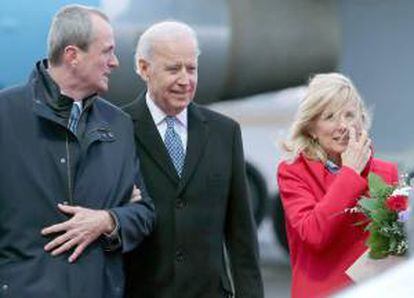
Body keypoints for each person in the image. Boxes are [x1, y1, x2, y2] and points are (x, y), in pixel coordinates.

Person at [0, 5, 155, 298]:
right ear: (72, 55)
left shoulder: (118, 125)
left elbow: (144, 212)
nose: (116, 62)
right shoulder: (5, 115)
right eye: (107, 51)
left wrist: (108, 220)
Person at [123, 21, 264, 298]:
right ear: (143, 68)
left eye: (191, 68)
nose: (185, 80)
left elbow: (241, 237)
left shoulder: (225, 132)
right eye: (173, 69)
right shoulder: (118, 128)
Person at [277, 73, 399, 297]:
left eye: (350, 115)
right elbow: (314, 234)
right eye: (330, 116)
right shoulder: (293, 172)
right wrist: (350, 173)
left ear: (362, 120)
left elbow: (396, 245)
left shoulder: (385, 172)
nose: (343, 126)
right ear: (311, 128)